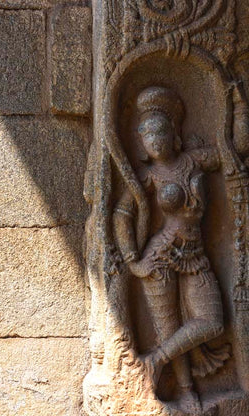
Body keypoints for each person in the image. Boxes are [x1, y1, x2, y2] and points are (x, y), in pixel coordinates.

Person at [114, 86, 228, 413]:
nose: (153, 139)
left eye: (159, 131)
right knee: (169, 327)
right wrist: (132, 259)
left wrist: (234, 100)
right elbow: (122, 214)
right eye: (146, 134)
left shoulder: (194, 161)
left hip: (195, 255)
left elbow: (233, 149)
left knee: (213, 321)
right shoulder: (148, 176)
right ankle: (187, 391)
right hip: (160, 257)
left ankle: (155, 360)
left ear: (174, 132)